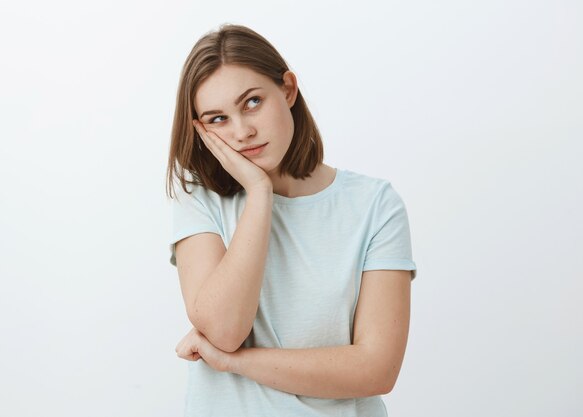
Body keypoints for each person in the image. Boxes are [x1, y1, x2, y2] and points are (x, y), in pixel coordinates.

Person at [165, 23, 417, 417]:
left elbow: (376, 369)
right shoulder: (200, 200)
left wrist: (236, 362)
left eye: (251, 102)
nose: (243, 131)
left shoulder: (374, 205)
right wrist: (259, 193)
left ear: (287, 89)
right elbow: (224, 330)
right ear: (200, 129)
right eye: (218, 119)